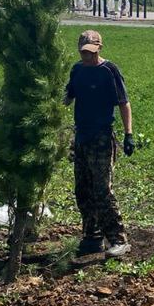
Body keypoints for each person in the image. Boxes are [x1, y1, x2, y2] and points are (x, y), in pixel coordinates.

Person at [63, 29, 134, 258]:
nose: (87, 56)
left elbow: (124, 103)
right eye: (84, 52)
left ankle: (118, 239)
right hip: (81, 137)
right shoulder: (77, 70)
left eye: (91, 52)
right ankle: (92, 237)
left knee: (102, 190)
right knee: (83, 190)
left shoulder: (108, 71)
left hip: (101, 137)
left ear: (99, 48)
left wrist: (128, 134)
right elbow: (68, 96)